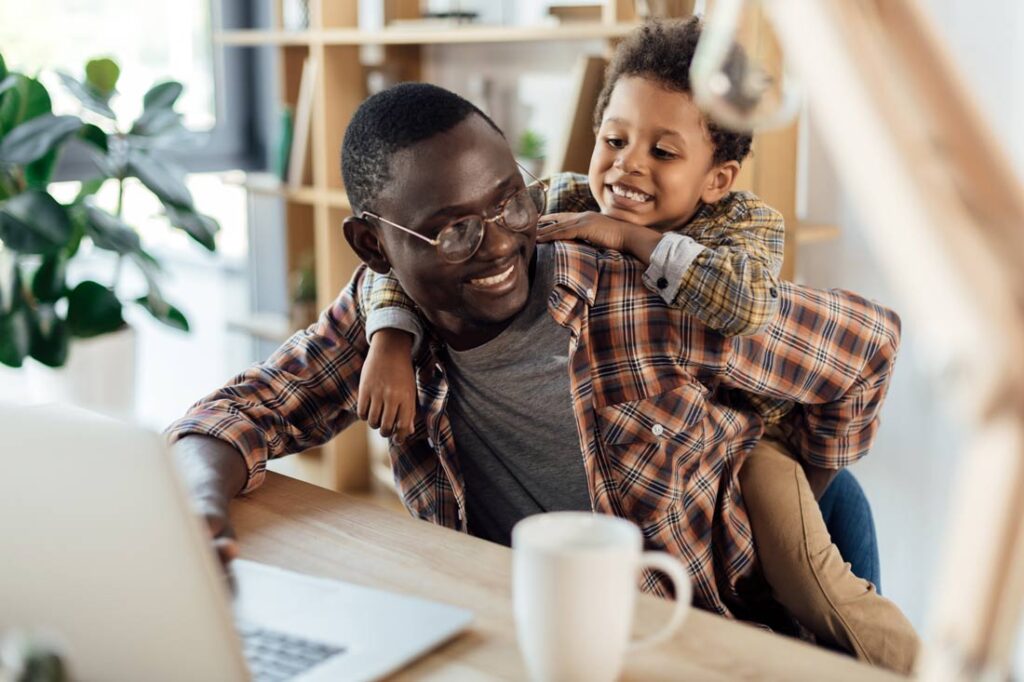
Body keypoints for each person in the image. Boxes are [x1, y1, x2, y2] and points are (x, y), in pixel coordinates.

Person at [168, 82, 915, 673]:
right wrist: (198, 502)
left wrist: (812, 478)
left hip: (691, 641)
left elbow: (868, 342)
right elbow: (246, 407)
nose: (498, 245)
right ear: (374, 246)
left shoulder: (635, 300)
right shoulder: (385, 325)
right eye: (454, 228)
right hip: (520, 641)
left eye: (509, 200)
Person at [352, 19, 917, 670]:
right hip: (675, 470)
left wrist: (630, 238)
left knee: (824, 601)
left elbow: (743, 305)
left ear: (716, 177)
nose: (627, 165)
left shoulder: (744, 223)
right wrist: (391, 336)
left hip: (758, 448)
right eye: (615, 139)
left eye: (663, 152)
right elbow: (428, 252)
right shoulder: (563, 197)